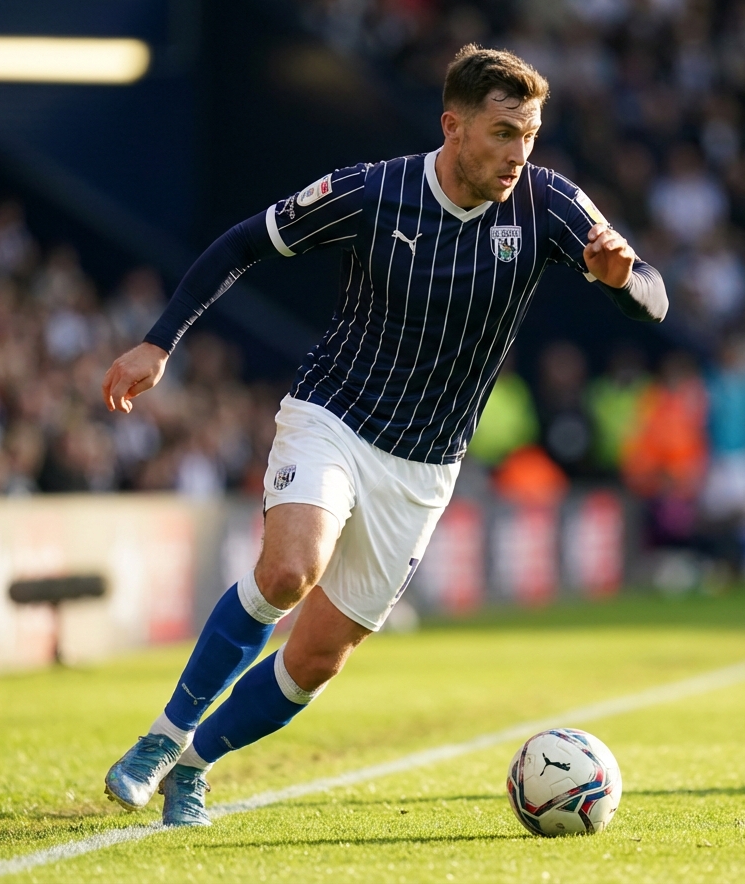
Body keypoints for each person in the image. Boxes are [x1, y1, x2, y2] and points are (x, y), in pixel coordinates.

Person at [98, 45, 667, 827]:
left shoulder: (548, 204)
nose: (516, 154)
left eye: (529, 135)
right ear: (453, 125)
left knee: (317, 657)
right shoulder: (372, 191)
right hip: (334, 414)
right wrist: (159, 342)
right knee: (291, 570)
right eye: (502, 133)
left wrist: (621, 280)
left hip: (427, 463)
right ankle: (162, 740)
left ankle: (194, 767)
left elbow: (652, 294)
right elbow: (244, 243)